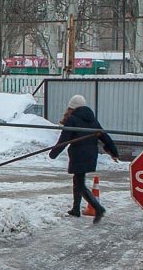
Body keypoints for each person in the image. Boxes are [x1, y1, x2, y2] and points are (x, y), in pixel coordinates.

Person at [49, 95, 119, 224]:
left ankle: (98, 208)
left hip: (78, 155)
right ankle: (76, 209)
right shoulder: (92, 120)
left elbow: (64, 139)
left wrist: (53, 153)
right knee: (78, 180)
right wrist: (114, 152)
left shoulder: (73, 119)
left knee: (80, 184)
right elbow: (104, 136)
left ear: (72, 107)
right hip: (91, 154)